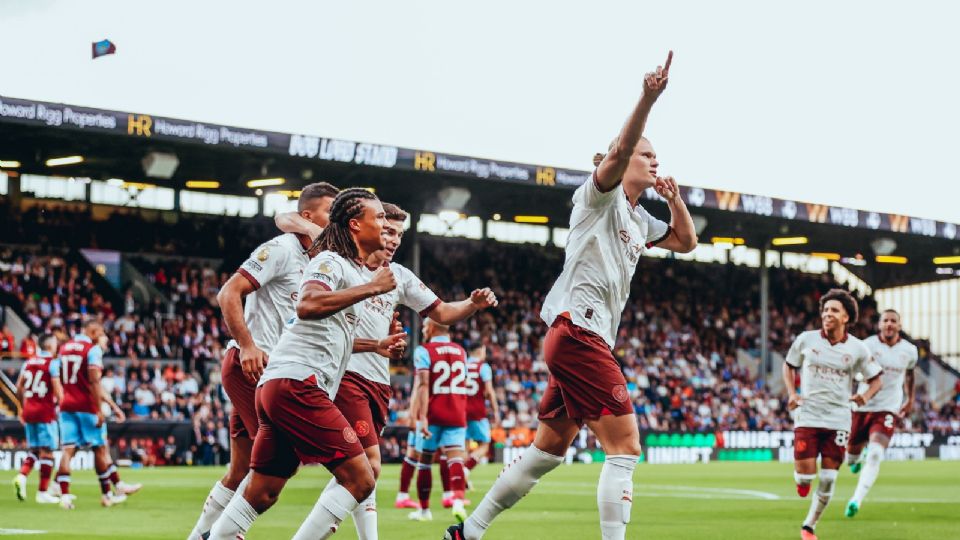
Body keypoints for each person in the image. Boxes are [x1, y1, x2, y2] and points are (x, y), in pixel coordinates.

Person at [446, 50, 697, 540]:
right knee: (624, 447)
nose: (654, 162)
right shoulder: (597, 196)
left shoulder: (639, 218)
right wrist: (647, 98)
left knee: (546, 452)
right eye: (648, 156)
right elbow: (621, 151)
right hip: (579, 332)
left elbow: (686, 243)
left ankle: (469, 531)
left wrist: (675, 199)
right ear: (619, 161)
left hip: (580, 337)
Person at [208, 188, 402, 540]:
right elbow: (307, 304)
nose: (385, 225)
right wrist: (372, 290)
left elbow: (325, 329)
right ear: (355, 225)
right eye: (379, 219)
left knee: (263, 491)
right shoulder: (330, 261)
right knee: (361, 477)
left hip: (280, 384)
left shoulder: (353, 271)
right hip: (298, 384)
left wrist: (377, 343)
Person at [324, 202, 497, 539]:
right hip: (345, 377)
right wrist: (372, 343)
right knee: (365, 468)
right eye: (388, 231)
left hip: (377, 382)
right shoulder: (342, 267)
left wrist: (472, 305)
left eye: (400, 235)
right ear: (368, 226)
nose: (394, 240)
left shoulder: (399, 276)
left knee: (357, 472)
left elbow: (443, 312)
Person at [187, 181, 339, 539]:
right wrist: (248, 344)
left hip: (274, 371)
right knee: (278, 462)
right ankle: (229, 534)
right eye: (329, 212)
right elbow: (229, 293)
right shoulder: (283, 249)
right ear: (307, 216)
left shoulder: (320, 260)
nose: (334, 220)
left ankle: (201, 536)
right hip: (253, 365)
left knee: (241, 470)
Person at [783, 289, 883, 540]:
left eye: (834, 310)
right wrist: (792, 393)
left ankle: (809, 526)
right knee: (805, 478)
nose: (828, 314)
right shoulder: (806, 340)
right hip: (808, 415)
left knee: (828, 479)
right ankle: (802, 480)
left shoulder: (858, 349)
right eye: (825, 310)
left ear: (846, 317)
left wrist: (864, 397)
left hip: (838, 419)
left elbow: (876, 380)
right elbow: (789, 365)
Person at [55, 320, 141, 509]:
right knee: (100, 449)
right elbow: (94, 382)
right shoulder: (91, 350)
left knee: (67, 450)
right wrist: (98, 409)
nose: (103, 335)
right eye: (100, 331)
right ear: (92, 331)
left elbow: (59, 377)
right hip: (86, 406)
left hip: (67, 405)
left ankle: (65, 497)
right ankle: (107, 495)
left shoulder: (65, 348)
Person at [845, 309, 917, 518]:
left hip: (887, 408)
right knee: (850, 458)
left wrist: (910, 399)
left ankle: (856, 500)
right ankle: (856, 461)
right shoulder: (867, 345)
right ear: (879, 324)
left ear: (899, 326)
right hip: (863, 405)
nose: (889, 324)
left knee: (876, 453)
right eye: (885, 320)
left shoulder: (909, 351)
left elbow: (910, 374)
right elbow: (855, 370)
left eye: (893, 321)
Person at [409, 319, 471, 523]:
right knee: (455, 460)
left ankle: (425, 511)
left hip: (434, 413)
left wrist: (422, 417)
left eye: (426, 326)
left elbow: (424, 385)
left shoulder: (424, 351)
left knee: (425, 461)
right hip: (457, 411)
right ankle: (459, 502)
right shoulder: (461, 351)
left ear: (433, 328)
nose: (424, 329)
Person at [14, 334, 63, 504]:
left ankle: (22, 476)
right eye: (56, 344)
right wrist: (63, 407)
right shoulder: (53, 364)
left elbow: (18, 387)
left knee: (35, 450)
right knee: (48, 451)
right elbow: (57, 390)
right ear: (50, 346)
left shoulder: (29, 362)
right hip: (45, 412)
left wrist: (21, 408)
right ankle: (42, 492)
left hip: (29, 410)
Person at [461, 343, 499, 496]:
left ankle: (461, 478)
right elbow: (489, 391)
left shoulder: (462, 364)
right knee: (485, 444)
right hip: (477, 411)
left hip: (461, 410)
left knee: (464, 445)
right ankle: (466, 469)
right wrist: (496, 411)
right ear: (480, 351)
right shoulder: (483, 367)